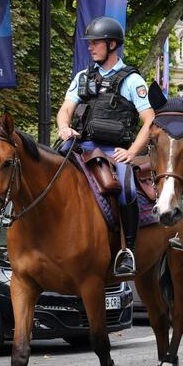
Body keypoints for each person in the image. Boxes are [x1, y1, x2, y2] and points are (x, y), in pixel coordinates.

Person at [56, 16, 156, 278]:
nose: (90, 48)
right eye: (89, 43)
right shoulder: (82, 77)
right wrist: (64, 127)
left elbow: (150, 121)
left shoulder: (132, 81)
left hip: (114, 153)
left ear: (112, 44)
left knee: (126, 189)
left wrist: (132, 152)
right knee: (43, 169)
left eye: (96, 43)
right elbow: (65, 110)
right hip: (81, 146)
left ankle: (128, 251)